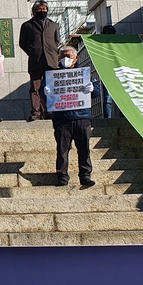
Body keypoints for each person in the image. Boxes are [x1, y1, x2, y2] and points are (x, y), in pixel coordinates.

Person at [43, 45, 97, 188]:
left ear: (76, 58)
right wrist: (45, 91)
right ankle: (62, 176)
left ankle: (85, 176)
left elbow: (97, 92)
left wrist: (92, 87)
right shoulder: (52, 76)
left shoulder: (84, 74)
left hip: (82, 117)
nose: (65, 59)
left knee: (84, 149)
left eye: (69, 56)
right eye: (62, 57)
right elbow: (43, 94)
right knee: (62, 150)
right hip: (62, 119)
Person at [19, 0, 60, 122]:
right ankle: (36, 111)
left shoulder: (54, 25)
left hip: (51, 60)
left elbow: (57, 41)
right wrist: (32, 52)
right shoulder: (27, 25)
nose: (42, 11)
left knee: (51, 86)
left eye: (44, 9)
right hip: (35, 60)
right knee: (35, 88)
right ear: (34, 11)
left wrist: (52, 50)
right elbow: (22, 43)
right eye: (39, 9)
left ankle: (51, 110)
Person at [100, 24, 117, 118]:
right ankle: (108, 119)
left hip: (121, 73)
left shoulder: (119, 45)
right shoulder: (100, 46)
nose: (110, 35)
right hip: (107, 74)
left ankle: (125, 118)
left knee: (123, 98)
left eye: (112, 33)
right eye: (108, 33)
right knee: (107, 99)